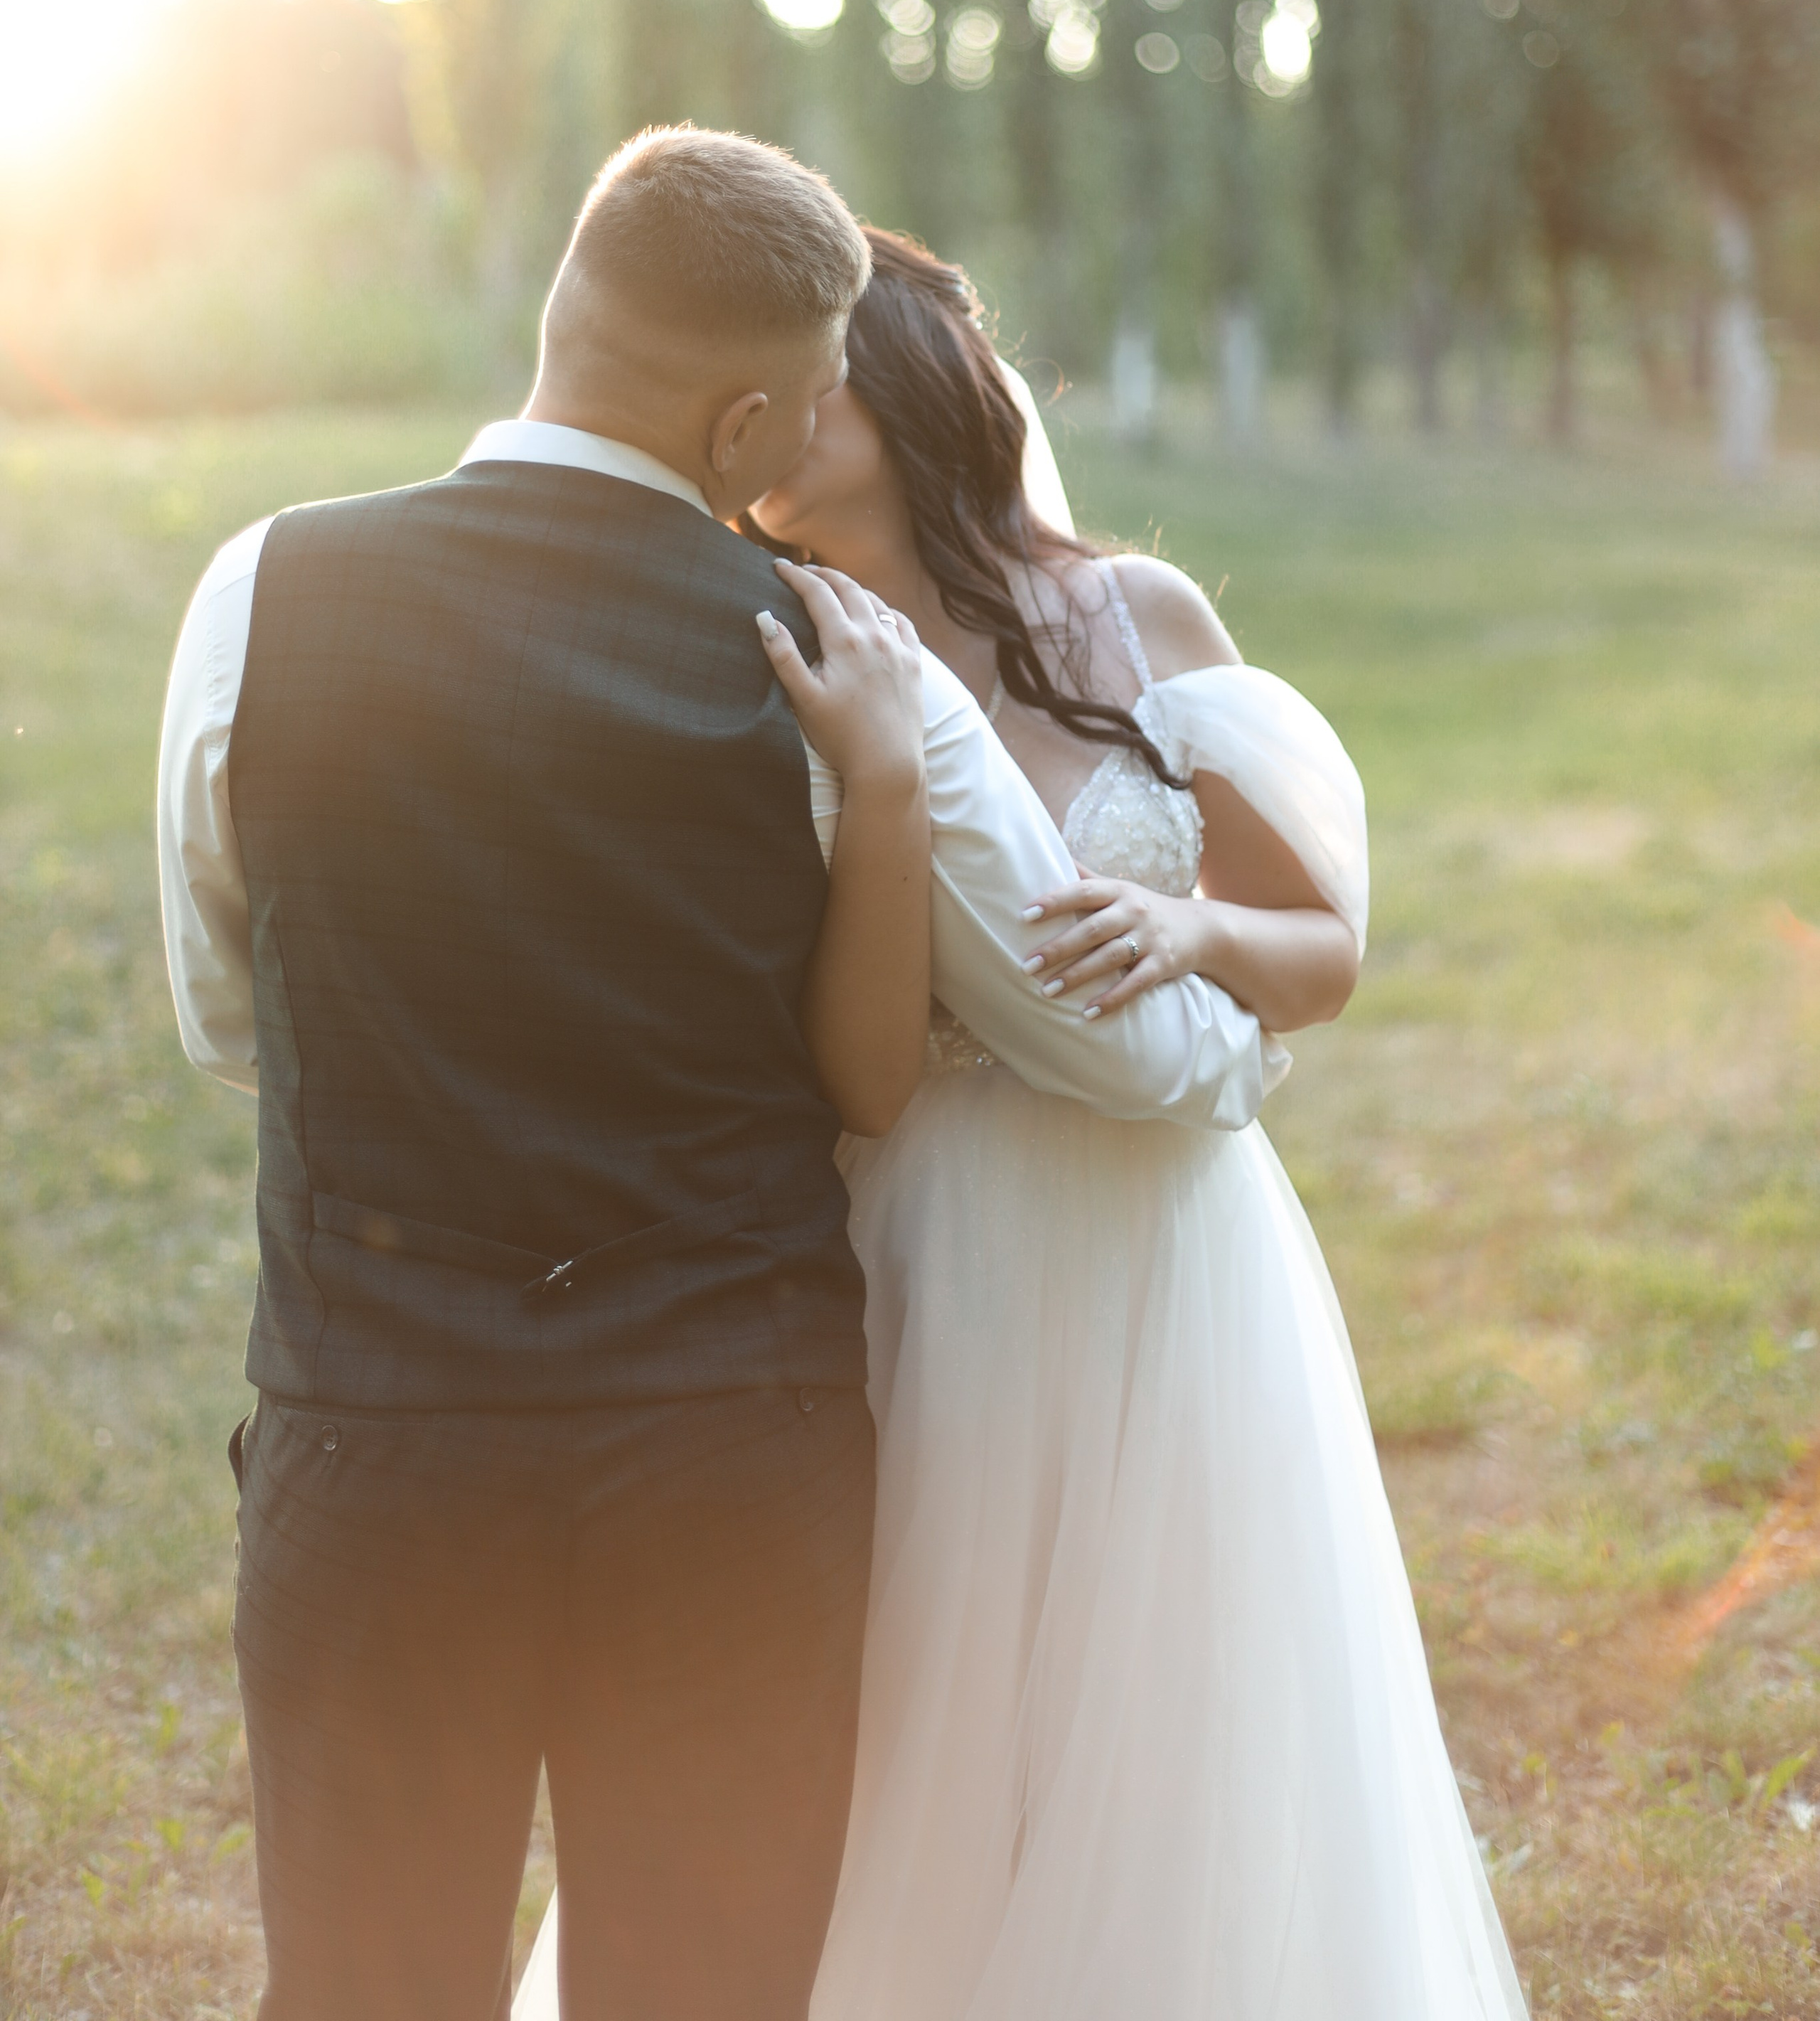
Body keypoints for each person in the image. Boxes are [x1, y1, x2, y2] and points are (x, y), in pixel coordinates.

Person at [158, 132, 1267, 2021]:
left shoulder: (267, 593)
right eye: (825, 392)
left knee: (358, 1987)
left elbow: (232, 1018)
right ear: (749, 409)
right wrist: (1247, 988)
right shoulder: (854, 672)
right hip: (724, 1470)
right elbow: (1115, 1040)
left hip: (373, 1434)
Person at [754, 234, 1525, 2021]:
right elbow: (861, 1073)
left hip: (1177, 1252)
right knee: (928, 1707)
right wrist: (875, 784)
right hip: (934, 1240)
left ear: (904, 388)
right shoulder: (781, 663)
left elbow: (1321, 954)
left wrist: (1189, 930)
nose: (772, 424)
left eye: (810, 381)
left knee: (1177, 1704)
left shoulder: (1140, 622)